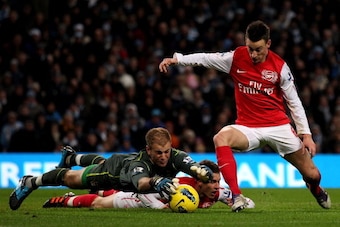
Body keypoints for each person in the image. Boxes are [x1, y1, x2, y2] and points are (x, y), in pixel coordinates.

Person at [159, 20, 331, 212]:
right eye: (250, 48)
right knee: (220, 137)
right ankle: (236, 195)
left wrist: (306, 134)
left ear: (268, 44)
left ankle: (315, 189)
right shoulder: (236, 58)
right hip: (248, 128)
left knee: (313, 175)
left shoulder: (280, 67)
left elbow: (294, 101)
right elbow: (207, 59)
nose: (253, 54)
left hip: (278, 126)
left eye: (258, 49)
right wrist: (177, 59)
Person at [9, 127, 213, 210]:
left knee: (98, 161)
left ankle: (71, 156)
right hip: (114, 173)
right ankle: (30, 182)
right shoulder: (140, 164)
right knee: (72, 179)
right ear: (149, 150)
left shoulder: (175, 156)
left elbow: (191, 165)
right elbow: (141, 183)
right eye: (158, 153)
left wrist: (200, 172)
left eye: (167, 151)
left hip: (119, 161)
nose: (164, 157)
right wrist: (155, 181)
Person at [42, 160, 255, 210]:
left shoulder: (216, 191)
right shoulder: (179, 184)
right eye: (212, 182)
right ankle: (66, 200)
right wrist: (159, 207)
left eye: (218, 182)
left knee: (107, 190)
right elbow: (148, 193)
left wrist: (241, 202)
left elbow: (243, 202)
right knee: (100, 203)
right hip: (144, 197)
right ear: (198, 183)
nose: (216, 186)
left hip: (147, 194)